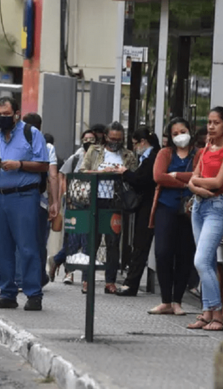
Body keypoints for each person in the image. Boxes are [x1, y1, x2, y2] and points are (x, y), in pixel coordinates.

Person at [0, 97, 49, 311]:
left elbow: (44, 164)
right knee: (2, 247)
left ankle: (33, 294)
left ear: (17, 113)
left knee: (27, 246)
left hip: (23, 196)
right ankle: (7, 294)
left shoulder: (31, 133)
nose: (2, 118)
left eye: (6, 115)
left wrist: (19, 164)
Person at [186, 106, 223, 331]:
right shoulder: (207, 147)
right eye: (209, 122)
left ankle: (218, 314)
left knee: (201, 261)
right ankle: (207, 312)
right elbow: (193, 178)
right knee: (206, 262)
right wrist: (196, 187)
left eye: (216, 122)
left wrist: (196, 184)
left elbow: (219, 182)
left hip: (217, 208)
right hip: (199, 207)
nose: (210, 126)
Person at [147, 118, 201, 314]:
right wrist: (187, 182)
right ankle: (166, 301)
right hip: (165, 208)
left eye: (183, 131)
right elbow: (158, 177)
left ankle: (177, 301)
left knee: (185, 254)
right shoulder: (165, 153)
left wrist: (176, 176)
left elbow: (199, 176)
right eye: (175, 133)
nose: (180, 136)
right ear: (170, 136)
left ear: (190, 130)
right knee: (162, 253)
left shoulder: (199, 153)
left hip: (190, 210)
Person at [80, 121, 138, 294]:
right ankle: (87, 279)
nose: (115, 142)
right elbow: (83, 171)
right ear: (105, 137)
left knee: (113, 242)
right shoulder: (94, 151)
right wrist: (100, 173)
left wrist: (123, 173)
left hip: (115, 201)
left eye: (119, 139)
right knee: (93, 241)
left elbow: (133, 177)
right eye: (112, 138)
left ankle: (110, 280)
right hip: (96, 200)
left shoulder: (128, 155)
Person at [115, 127, 160, 297]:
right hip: (145, 206)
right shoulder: (146, 158)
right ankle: (131, 282)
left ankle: (131, 283)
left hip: (150, 205)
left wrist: (125, 173)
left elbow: (143, 180)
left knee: (140, 245)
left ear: (142, 142)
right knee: (139, 244)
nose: (134, 148)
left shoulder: (153, 157)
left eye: (135, 144)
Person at [48, 130, 96, 284]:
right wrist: (65, 193)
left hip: (92, 203)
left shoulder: (99, 156)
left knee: (87, 240)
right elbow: (63, 174)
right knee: (75, 239)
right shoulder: (76, 156)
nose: (89, 141)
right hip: (75, 203)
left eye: (92, 139)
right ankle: (70, 271)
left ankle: (83, 278)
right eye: (86, 138)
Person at [22, 113, 60, 287]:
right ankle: (38, 276)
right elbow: (52, 176)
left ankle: (22, 277)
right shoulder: (47, 146)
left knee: (21, 240)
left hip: (18, 199)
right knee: (38, 241)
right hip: (40, 201)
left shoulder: (16, 144)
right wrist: (54, 202)